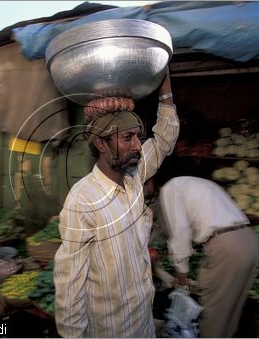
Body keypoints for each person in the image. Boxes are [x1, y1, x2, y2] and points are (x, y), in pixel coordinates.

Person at [53, 69, 179, 337]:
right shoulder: (82, 200)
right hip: (111, 329)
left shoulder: (133, 176)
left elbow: (164, 140)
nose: (137, 146)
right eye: (127, 138)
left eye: (137, 136)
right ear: (101, 143)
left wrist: (165, 86)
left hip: (143, 318)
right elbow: (69, 286)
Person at [158, 176, 259, 338]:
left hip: (228, 248)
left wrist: (182, 273)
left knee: (212, 315)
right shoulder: (200, 184)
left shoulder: (170, 189)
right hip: (251, 242)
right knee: (230, 314)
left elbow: (180, 232)